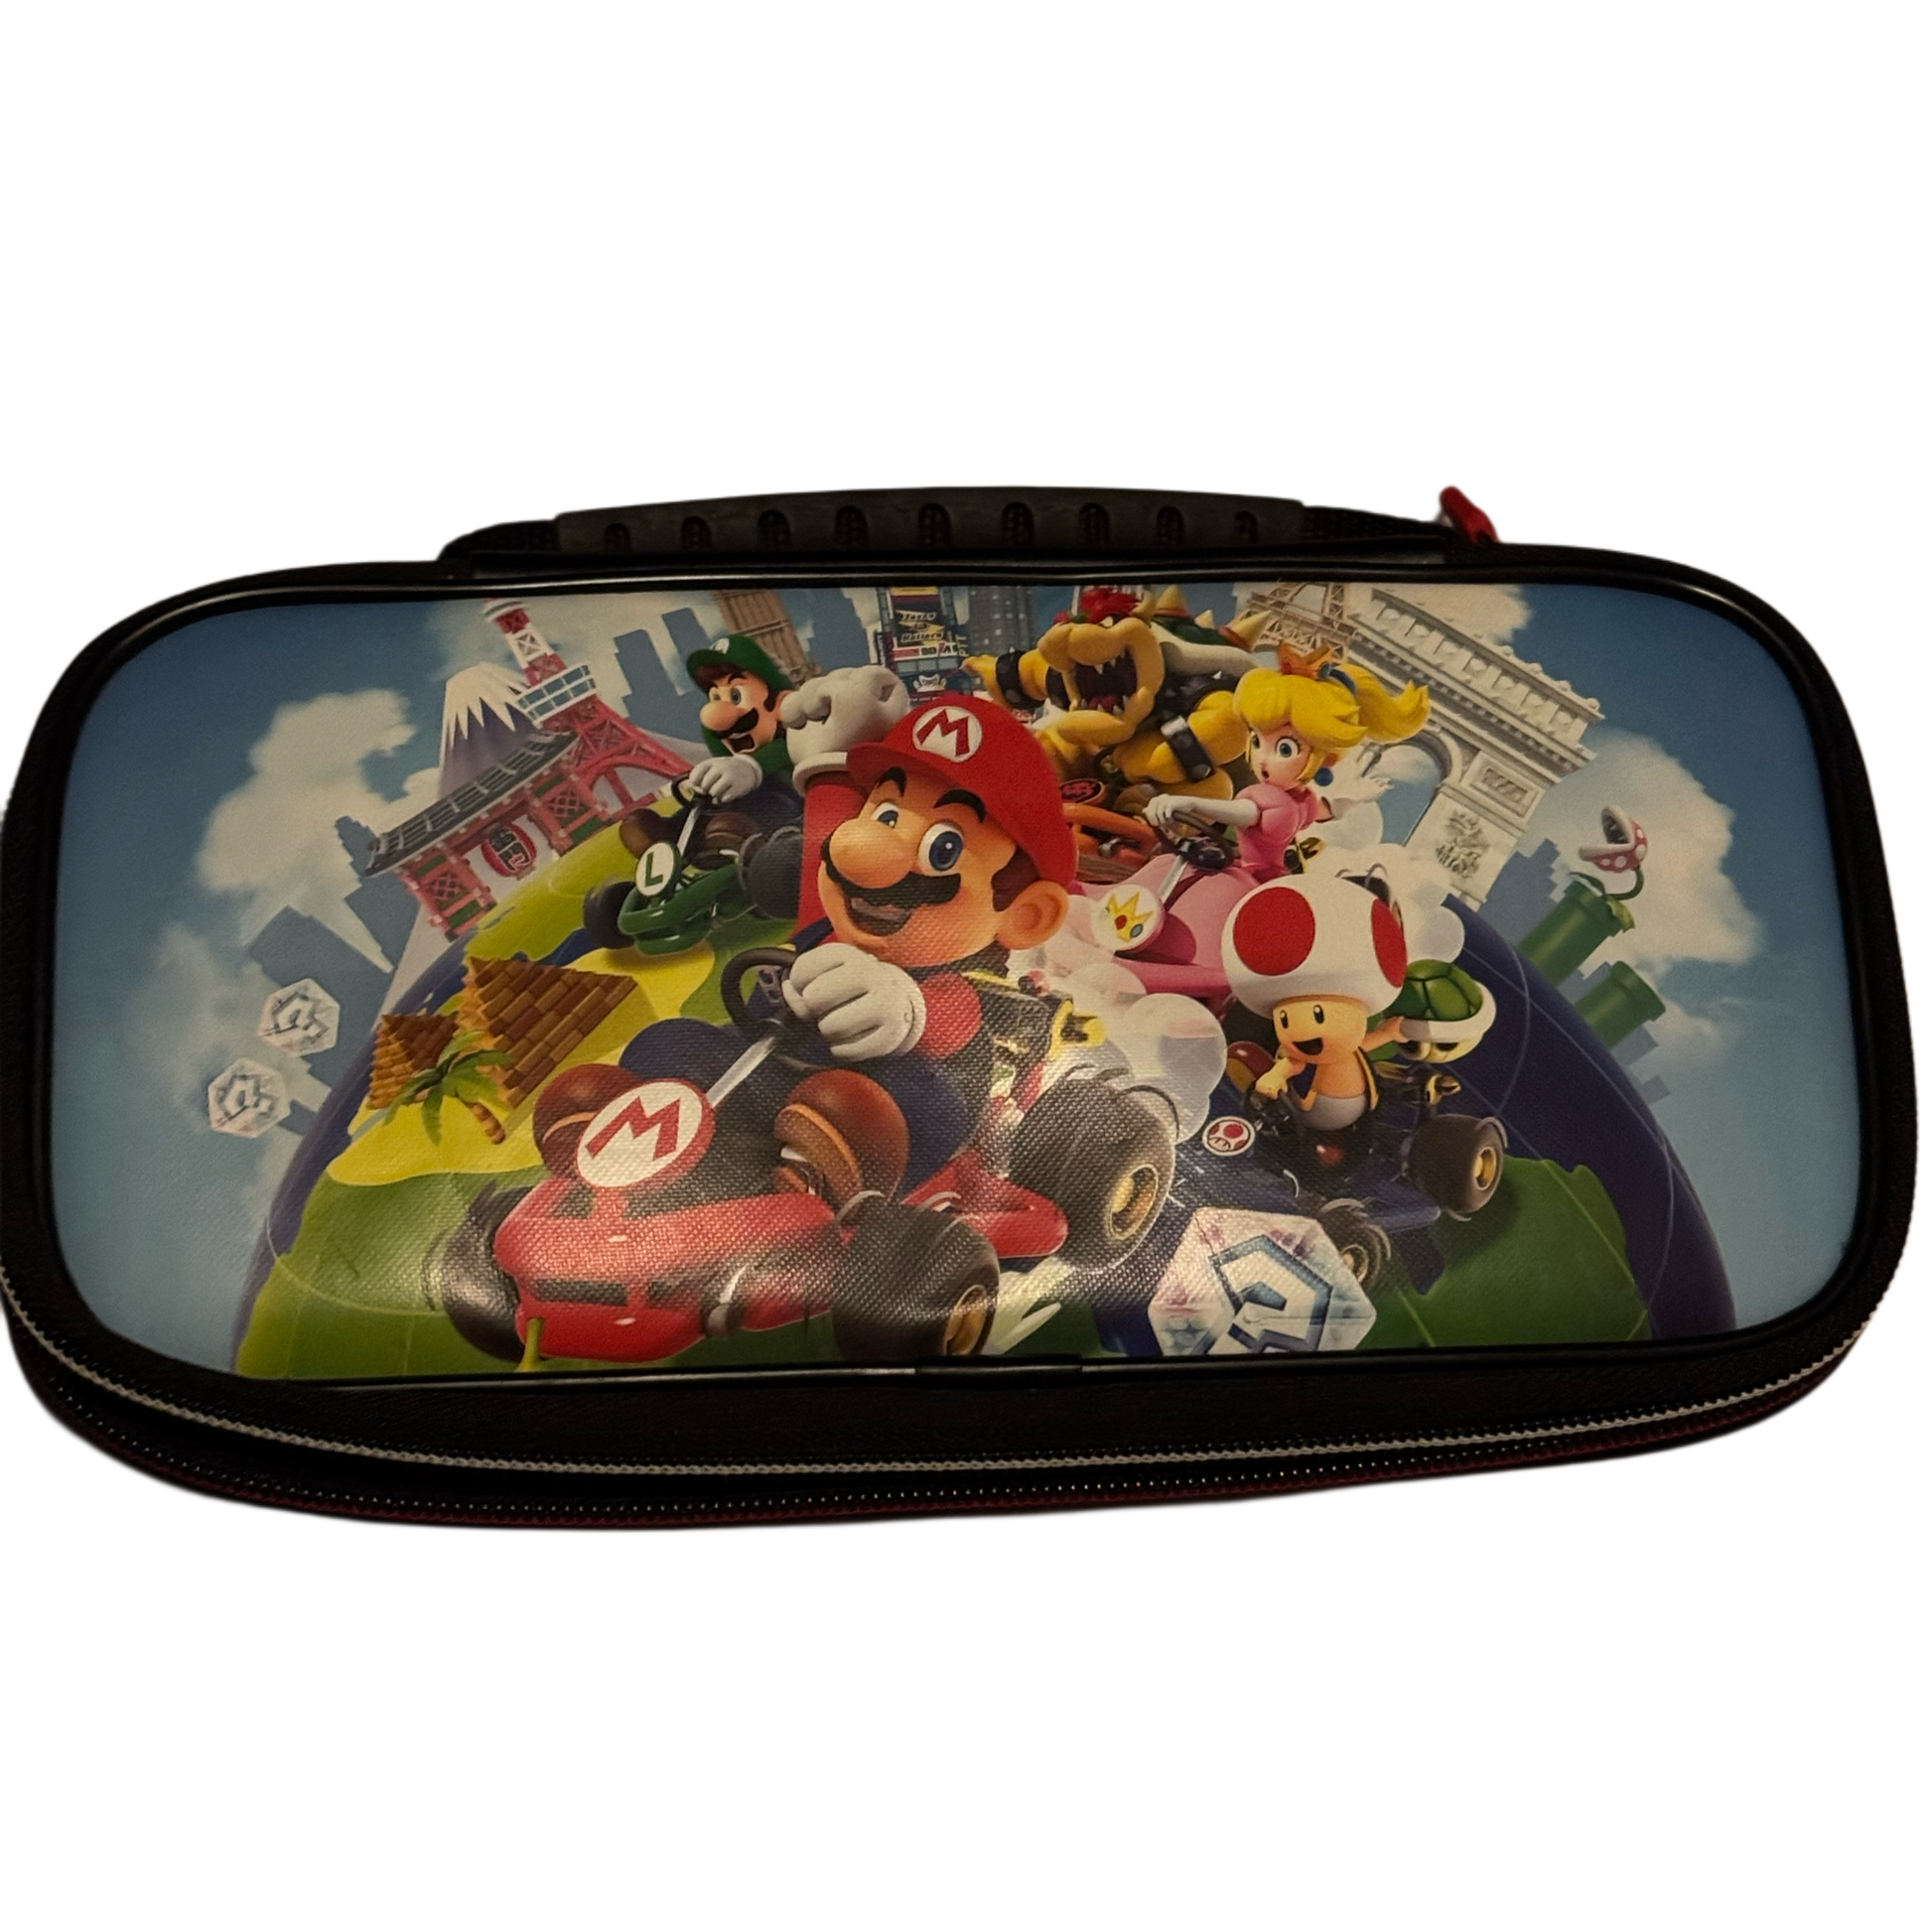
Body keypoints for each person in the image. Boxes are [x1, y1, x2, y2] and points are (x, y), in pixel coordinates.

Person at [781, 696, 1080, 1124]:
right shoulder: (826, 929)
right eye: (885, 816)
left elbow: (954, 1019)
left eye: (944, 848)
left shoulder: (967, 986)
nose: (864, 852)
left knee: (892, 1101)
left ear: (1026, 914)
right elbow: (818, 855)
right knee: (683, 1041)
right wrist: (825, 765)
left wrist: (906, 1011)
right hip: (770, 1071)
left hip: (884, 1117)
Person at [1144, 660, 1430, 878]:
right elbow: (1329, 809)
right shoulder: (1302, 800)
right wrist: (1356, 798)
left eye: (1284, 749)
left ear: (1325, 760)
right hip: (1260, 876)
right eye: (1257, 741)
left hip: (1246, 878)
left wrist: (1188, 803)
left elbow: (1245, 813)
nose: (1262, 758)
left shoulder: (1274, 800)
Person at [681, 634, 800, 821]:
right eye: (716, 697)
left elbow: (789, 747)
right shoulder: (719, 733)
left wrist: (752, 766)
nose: (717, 716)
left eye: (735, 695)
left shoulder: (804, 733)